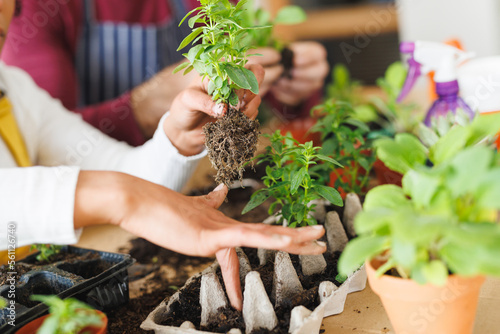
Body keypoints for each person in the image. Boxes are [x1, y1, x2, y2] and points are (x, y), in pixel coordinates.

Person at [0, 0, 327, 310]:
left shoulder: (16, 91)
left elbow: (131, 178)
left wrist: (178, 138)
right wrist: (125, 196)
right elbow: (129, 196)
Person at [1, 0, 329, 145]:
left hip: (193, 174)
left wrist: (290, 90)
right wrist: (144, 106)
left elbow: (252, 103)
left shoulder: (210, 3)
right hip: (97, 210)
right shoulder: (32, 9)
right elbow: (40, 147)